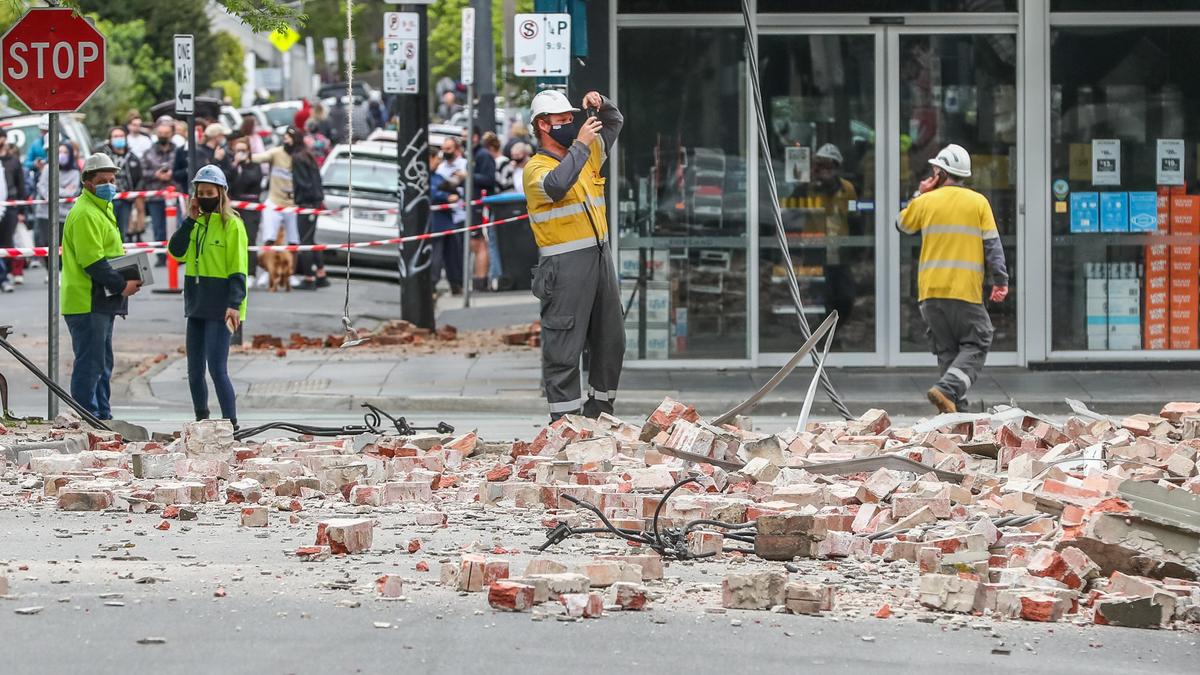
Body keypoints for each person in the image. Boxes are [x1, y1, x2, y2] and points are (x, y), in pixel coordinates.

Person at [523, 89, 624, 420]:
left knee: (611, 341)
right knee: (564, 348)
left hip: (599, 257)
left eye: (571, 119)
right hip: (564, 268)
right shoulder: (535, 169)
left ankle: (600, 415)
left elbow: (613, 122)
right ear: (542, 125)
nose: (570, 124)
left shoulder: (588, 152)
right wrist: (579, 143)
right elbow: (557, 185)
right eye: (562, 121)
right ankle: (565, 424)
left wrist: (600, 103)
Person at [896, 143, 1009, 414]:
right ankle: (948, 391)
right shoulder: (978, 202)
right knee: (979, 339)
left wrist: (918, 194)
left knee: (948, 351)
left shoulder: (925, 202)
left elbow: (902, 225)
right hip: (964, 292)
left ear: (941, 174)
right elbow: (992, 246)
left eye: (935, 171)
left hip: (930, 294)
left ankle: (956, 415)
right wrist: (1000, 280)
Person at [61, 153, 143, 420]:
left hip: (99, 300)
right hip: (87, 300)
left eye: (112, 179)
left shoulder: (100, 209)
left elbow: (107, 254)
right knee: (91, 365)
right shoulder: (86, 213)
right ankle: (88, 419)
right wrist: (123, 285)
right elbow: (93, 262)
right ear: (87, 183)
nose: (110, 184)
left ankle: (102, 418)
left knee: (102, 364)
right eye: (102, 180)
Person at [167, 165, 247, 429]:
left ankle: (231, 424)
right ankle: (202, 419)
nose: (204, 197)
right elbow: (175, 251)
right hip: (197, 303)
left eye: (209, 192)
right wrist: (189, 220)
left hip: (222, 306)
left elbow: (238, 267)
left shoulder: (232, 225)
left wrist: (234, 304)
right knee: (193, 371)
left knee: (217, 368)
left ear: (221, 193)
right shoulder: (197, 225)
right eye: (200, 193)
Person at [805, 143, 858, 331]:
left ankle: (834, 330)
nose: (825, 171)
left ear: (837, 168)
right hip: (815, 249)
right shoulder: (808, 189)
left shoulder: (847, 189)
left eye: (830, 167)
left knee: (845, 295)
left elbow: (854, 219)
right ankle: (824, 335)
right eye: (821, 166)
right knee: (822, 295)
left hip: (839, 249)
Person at [251, 126, 302, 285]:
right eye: (285, 137)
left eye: (289, 137)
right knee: (269, 239)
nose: (285, 140)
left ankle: (290, 273)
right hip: (274, 201)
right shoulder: (276, 153)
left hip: (293, 204)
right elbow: (259, 157)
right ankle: (268, 271)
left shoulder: (299, 157)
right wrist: (246, 155)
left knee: (293, 241)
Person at [291, 130, 328, 290]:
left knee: (305, 242)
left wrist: (298, 196)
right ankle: (321, 274)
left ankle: (308, 278)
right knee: (311, 240)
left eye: (287, 138)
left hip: (306, 204)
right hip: (314, 203)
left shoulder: (298, 158)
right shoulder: (308, 155)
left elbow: (303, 183)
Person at [139, 120, 177, 265]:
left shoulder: (178, 151)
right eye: (160, 133)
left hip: (174, 195)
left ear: (171, 134)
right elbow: (143, 171)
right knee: (158, 227)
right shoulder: (148, 152)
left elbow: (183, 168)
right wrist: (156, 174)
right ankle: (161, 256)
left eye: (166, 133)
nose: (163, 136)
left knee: (175, 227)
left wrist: (172, 174)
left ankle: (175, 255)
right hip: (155, 195)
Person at [428, 147, 464, 296]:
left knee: (453, 256)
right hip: (435, 223)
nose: (439, 161)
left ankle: (456, 283)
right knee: (436, 257)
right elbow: (432, 193)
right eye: (437, 158)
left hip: (447, 222)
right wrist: (446, 197)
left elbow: (451, 189)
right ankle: (431, 285)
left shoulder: (438, 177)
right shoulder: (427, 178)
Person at [98, 126, 143, 240]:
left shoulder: (132, 158)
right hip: (106, 199)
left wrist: (134, 195)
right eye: (116, 136)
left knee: (121, 231)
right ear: (110, 139)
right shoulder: (102, 156)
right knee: (106, 230)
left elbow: (139, 178)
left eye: (121, 136)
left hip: (125, 200)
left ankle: (119, 255)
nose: (119, 138)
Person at [228, 137, 264, 273]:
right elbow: (229, 184)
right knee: (233, 240)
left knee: (249, 238)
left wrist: (243, 166)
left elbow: (250, 181)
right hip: (234, 207)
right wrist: (235, 165)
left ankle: (251, 272)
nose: (240, 153)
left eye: (243, 150)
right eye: (237, 150)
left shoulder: (254, 166)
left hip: (250, 207)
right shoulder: (233, 166)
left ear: (249, 151)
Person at [35, 143, 80, 249]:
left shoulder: (75, 172)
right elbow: (42, 187)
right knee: (46, 245)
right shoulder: (47, 168)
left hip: (64, 216)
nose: (62, 155)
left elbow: (71, 192)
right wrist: (62, 190)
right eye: (59, 152)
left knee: (63, 247)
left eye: (65, 152)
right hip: (46, 214)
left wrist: (52, 190)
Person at [468, 126, 496, 291]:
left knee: (479, 242)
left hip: (480, 206)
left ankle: (481, 280)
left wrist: (468, 176)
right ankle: (479, 279)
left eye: (467, 136)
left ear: (476, 137)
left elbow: (489, 179)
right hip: (475, 204)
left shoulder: (482, 155)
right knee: (476, 242)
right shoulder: (475, 155)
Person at [0, 132, 28, 289]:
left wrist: (21, 210)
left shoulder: (13, 161)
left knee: (7, 242)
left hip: (10, 205)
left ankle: (7, 274)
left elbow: (20, 185)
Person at [173, 123, 233, 192]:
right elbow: (204, 173)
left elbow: (229, 172)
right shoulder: (200, 152)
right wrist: (216, 160)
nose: (224, 138)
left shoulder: (221, 151)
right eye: (223, 136)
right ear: (216, 136)